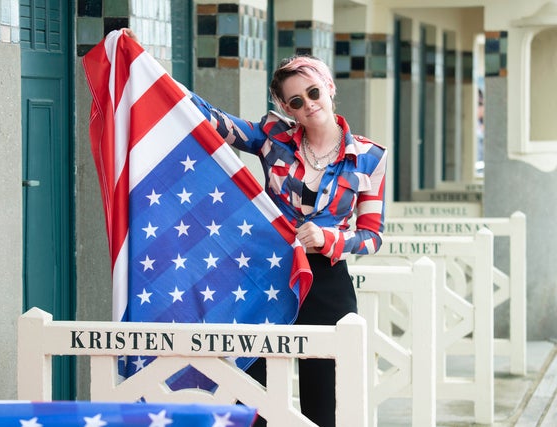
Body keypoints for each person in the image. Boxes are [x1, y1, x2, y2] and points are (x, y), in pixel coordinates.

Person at [121, 28, 387, 427]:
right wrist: (152, 73)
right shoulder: (272, 138)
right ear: (287, 108)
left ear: (328, 87)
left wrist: (329, 238)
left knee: (323, 399)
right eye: (296, 101)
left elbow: (373, 235)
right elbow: (211, 121)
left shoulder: (369, 156)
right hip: (264, 275)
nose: (309, 105)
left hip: (327, 283)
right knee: (251, 390)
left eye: (313, 93)